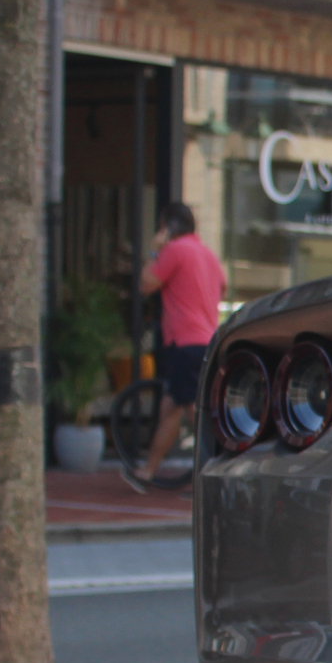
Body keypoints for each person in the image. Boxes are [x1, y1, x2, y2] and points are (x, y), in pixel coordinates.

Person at [132, 201, 226, 489]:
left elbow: (146, 284)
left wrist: (154, 249)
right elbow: (222, 286)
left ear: (167, 227)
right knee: (171, 406)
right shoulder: (209, 255)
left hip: (184, 342)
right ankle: (147, 472)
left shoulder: (174, 250)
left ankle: (217, 474)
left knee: (193, 412)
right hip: (207, 340)